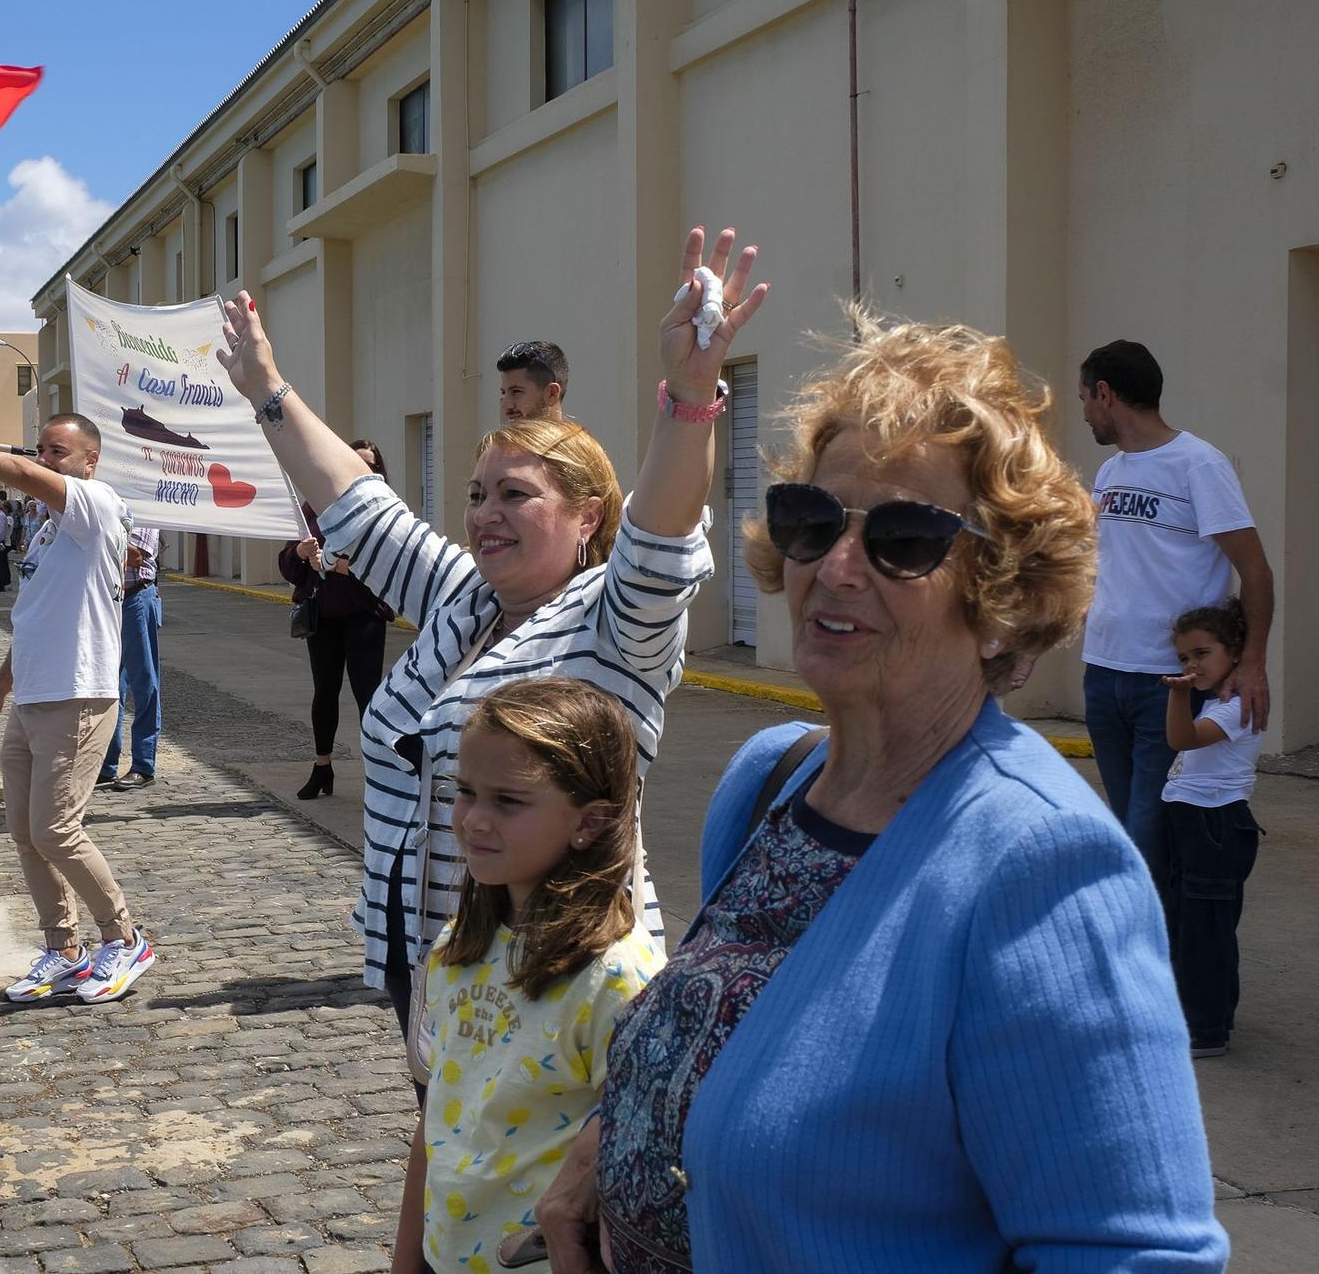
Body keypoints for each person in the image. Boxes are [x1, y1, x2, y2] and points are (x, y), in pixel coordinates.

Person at [536, 314, 1224, 1271]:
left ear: (1001, 598)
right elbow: (722, 1030)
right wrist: (608, 1139)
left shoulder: (1045, 869)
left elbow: (1136, 1254)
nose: (837, 566)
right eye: (814, 523)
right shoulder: (771, 779)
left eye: (904, 537)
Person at [217, 227, 764, 1050]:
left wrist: (691, 399)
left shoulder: (616, 625)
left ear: (586, 516)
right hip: (432, 952)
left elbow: (657, 547)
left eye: (515, 494)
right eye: (476, 495)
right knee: (445, 1147)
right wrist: (266, 388)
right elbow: (361, 506)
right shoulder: (462, 598)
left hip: (559, 977)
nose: (484, 515)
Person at [395, 679, 659, 1273]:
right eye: (465, 792)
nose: (474, 821)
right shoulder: (458, 947)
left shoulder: (617, 979)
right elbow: (437, 1119)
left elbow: (632, 1166)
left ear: (588, 823)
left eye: (508, 801)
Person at [0, 414, 156, 1004]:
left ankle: (123, 938)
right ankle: (63, 949)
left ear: (90, 461)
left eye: (58, 451)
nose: (44, 459)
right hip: (33, 698)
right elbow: (34, 622)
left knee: (56, 830)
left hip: (78, 696)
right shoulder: (45, 534)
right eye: (41, 449)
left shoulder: (96, 507)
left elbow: (18, 472)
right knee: (25, 832)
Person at [1078, 339, 1273, 888]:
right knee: (1128, 827)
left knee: (1149, 830)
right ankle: (1155, 950)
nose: (1084, 412)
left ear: (1106, 393)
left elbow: (1255, 571)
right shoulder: (1109, 471)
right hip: (1104, 674)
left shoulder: (1199, 464)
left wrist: (1251, 661)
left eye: (1084, 398)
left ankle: (1157, 962)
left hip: (1169, 683)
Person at [1162, 598, 1265, 1059]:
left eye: (1202, 654)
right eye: (1184, 657)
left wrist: (1178, 693)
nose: (1191, 665)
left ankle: (1207, 1030)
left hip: (1216, 824)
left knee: (1206, 930)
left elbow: (1183, 739)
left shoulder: (1237, 707)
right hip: (1195, 820)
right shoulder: (1217, 702)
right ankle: (1202, 1018)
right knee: (1195, 925)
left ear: (1236, 654)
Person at [278, 441, 396, 800]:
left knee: (368, 696)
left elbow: (391, 564)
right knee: (324, 693)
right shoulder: (315, 507)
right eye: (355, 462)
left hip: (363, 616)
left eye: (369, 466)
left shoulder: (383, 511)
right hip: (324, 616)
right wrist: (299, 553)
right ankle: (322, 767)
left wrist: (337, 565)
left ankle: (380, 775)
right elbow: (288, 566)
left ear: (377, 473)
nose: (361, 470)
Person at [98, 523, 162, 791]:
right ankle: (105, 764)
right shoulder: (109, 509)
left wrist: (98, 535)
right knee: (110, 686)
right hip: (108, 602)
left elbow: (135, 556)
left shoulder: (144, 513)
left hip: (136, 599)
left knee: (144, 683)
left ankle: (143, 766)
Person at [496, 340, 569, 422]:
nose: (505, 405)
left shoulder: (577, 435)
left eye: (516, 391)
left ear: (552, 393)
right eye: (503, 393)